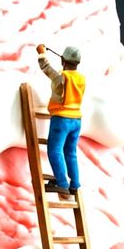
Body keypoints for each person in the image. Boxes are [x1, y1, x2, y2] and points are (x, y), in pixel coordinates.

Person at [34, 43, 85, 198]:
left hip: (62, 119)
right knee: (70, 152)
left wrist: (41, 54)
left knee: (55, 150)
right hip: (76, 119)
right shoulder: (81, 78)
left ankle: (62, 184)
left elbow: (48, 70)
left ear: (63, 60)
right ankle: (74, 185)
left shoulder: (63, 77)